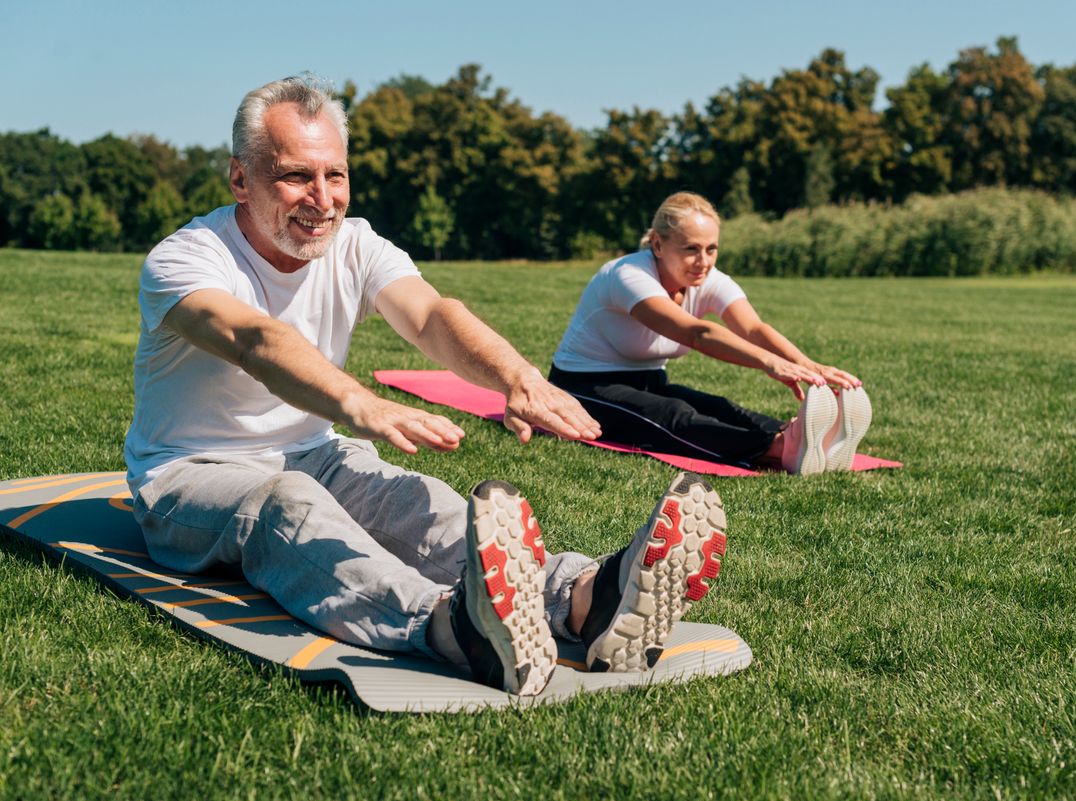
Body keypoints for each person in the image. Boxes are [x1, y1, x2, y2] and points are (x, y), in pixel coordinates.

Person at [123, 75, 727, 697]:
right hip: (189, 474)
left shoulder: (355, 244)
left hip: (316, 454)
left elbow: (433, 315)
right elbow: (255, 340)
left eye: (336, 175)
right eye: (295, 176)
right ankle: (451, 625)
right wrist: (358, 403)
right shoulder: (186, 259)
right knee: (286, 507)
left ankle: (584, 600)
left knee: (417, 502)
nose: (323, 199)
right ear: (240, 179)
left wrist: (516, 378)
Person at [549, 192, 872, 476]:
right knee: (672, 415)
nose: (703, 261)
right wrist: (768, 363)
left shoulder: (707, 278)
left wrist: (808, 366)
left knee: (718, 406)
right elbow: (697, 333)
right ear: (658, 245)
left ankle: (800, 436)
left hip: (648, 381)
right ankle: (777, 448)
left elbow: (753, 328)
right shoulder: (628, 276)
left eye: (711, 249)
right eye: (691, 249)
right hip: (583, 387)